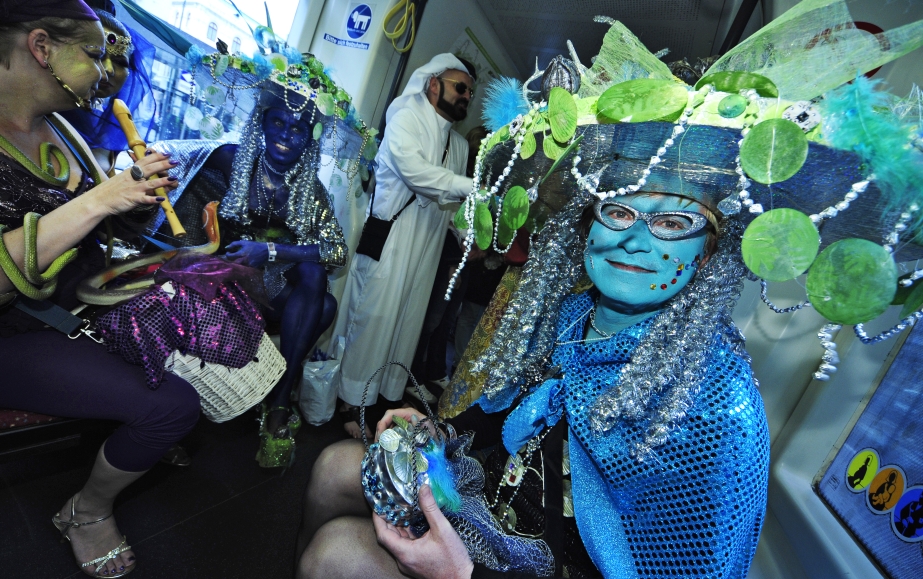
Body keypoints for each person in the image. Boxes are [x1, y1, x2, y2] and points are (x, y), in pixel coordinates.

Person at [294, 5, 923, 576]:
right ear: (587, 221)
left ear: (709, 252)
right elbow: (506, 430)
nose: (638, 240)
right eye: (619, 209)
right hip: (491, 505)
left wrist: (462, 574)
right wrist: (433, 433)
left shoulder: (718, 407)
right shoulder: (570, 310)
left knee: (339, 556)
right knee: (332, 468)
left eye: (675, 221)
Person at [0, 2, 198, 577]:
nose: (108, 70)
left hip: (69, 311)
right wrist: (102, 199)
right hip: (14, 332)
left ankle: (128, 443)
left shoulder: (62, 128)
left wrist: (136, 198)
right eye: (96, 53)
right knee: (173, 407)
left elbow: (98, 231)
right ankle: (87, 510)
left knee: (212, 333)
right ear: (41, 49)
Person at [145, 50, 352, 467]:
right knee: (323, 303)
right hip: (215, 280)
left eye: (298, 129)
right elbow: (176, 199)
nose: (286, 136)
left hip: (266, 292)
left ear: (309, 138)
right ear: (262, 121)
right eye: (278, 123)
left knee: (316, 280)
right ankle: (176, 411)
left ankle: (278, 401)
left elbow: (337, 250)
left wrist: (271, 250)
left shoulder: (312, 191)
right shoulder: (227, 158)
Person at [333, 53, 476, 436]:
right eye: (459, 87)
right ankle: (350, 404)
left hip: (428, 245)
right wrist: (476, 188)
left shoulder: (459, 146)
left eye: (470, 92)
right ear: (433, 84)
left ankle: (384, 399)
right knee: (373, 318)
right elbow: (418, 174)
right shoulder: (406, 117)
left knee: (406, 325)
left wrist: (466, 239)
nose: (466, 96)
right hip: (391, 235)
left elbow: (450, 204)